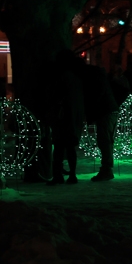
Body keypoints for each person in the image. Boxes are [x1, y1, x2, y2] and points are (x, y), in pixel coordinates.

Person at [59, 50, 119, 181]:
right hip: (108, 109)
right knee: (105, 140)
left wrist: (91, 106)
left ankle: (107, 170)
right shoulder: (94, 73)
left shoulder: (89, 76)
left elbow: (97, 93)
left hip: (105, 111)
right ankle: (106, 169)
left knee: (105, 141)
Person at [47, 54, 86, 185]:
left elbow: (56, 97)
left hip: (63, 118)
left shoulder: (63, 78)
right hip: (73, 118)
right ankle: (72, 175)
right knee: (70, 148)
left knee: (59, 147)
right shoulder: (77, 79)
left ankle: (58, 175)